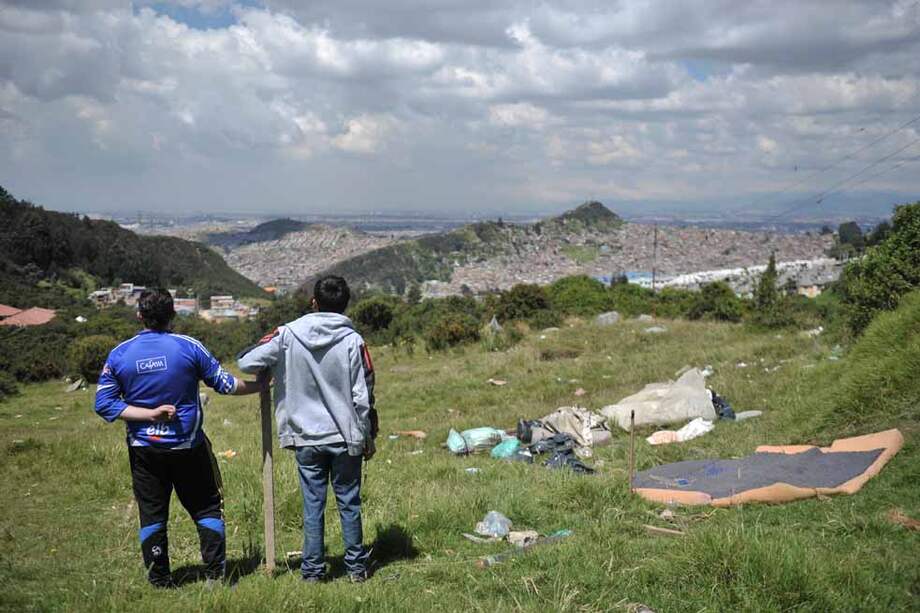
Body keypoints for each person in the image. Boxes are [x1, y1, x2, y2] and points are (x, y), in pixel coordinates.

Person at [94, 288, 264, 587]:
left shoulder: (120, 353)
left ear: (140, 315)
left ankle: (159, 580)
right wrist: (261, 385)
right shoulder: (189, 347)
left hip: (144, 449)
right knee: (206, 507)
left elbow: (104, 404)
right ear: (172, 314)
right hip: (188, 446)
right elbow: (225, 384)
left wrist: (149, 416)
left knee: (152, 511)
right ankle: (215, 575)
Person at [238, 275, 377, 582]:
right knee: (349, 503)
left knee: (312, 505)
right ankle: (356, 569)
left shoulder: (287, 334)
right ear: (345, 306)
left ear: (314, 303)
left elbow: (247, 361)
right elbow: (363, 394)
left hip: (305, 436)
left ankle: (312, 572)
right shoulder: (354, 340)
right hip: (345, 436)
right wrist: (367, 434)